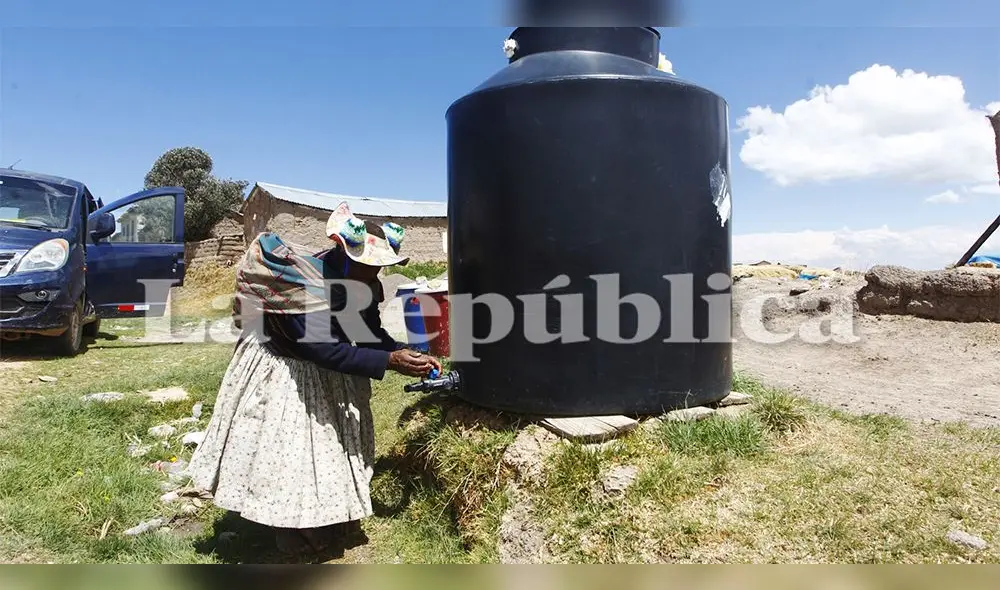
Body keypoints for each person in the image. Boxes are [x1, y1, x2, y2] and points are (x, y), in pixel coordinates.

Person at [187, 201, 442, 557]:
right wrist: (389, 361)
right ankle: (291, 527)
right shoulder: (307, 286)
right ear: (344, 255)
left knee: (329, 448)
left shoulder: (362, 282)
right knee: (293, 451)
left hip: (322, 364)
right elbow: (322, 351)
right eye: (369, 267)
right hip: (287, 366)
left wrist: (400, 350)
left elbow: (367, 333)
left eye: (379, 268)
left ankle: (328, 513)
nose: (375, 275)